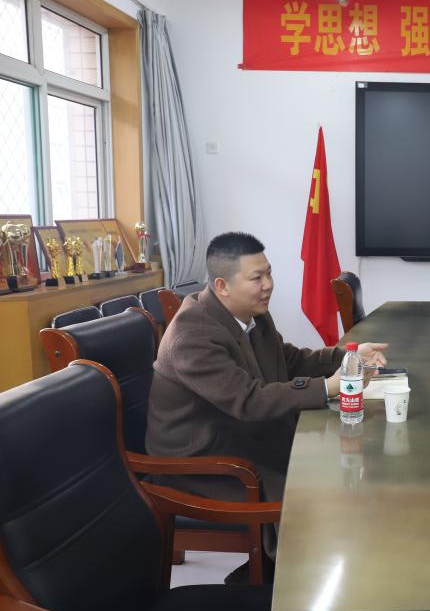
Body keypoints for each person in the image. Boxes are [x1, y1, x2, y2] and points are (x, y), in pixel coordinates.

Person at [147, 232, 387, 551]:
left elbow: (287, 360)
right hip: (205, 465)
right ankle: (285, 572)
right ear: (222, 286)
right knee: (321, 501)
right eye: (256, 278)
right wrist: (328, 387)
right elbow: (249, 400)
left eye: (269, 273)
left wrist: (346, 356)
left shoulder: (252, 314)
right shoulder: (192, 335)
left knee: (344, 469)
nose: (268, 285)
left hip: (244, 438)